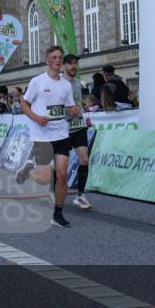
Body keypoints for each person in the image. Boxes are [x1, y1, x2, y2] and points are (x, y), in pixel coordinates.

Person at [15, 45, 80, 228]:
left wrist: (74, 110)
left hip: (61, 133)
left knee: (62, 174)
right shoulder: (37, 82)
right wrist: (37, 118)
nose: (58, 60)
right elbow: (24, 105)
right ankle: (28, 171)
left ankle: (58, 213)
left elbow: (69, 109)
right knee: (44, 178)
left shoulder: (66, 84)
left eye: (60, 57)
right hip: (42, 135)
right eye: (54, 57)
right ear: (47, 60)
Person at [62, 53, 92, 210]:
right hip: (63, 128)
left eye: (76, 64)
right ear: (64, 65)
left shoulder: (78, 83)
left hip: (79, 126)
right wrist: (68, 111)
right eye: (70, 64)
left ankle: (80, 196)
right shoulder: (58, 83)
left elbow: (79, 102)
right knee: (61, 164)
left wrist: (82, 108)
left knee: (84, 160)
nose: (74, 66)